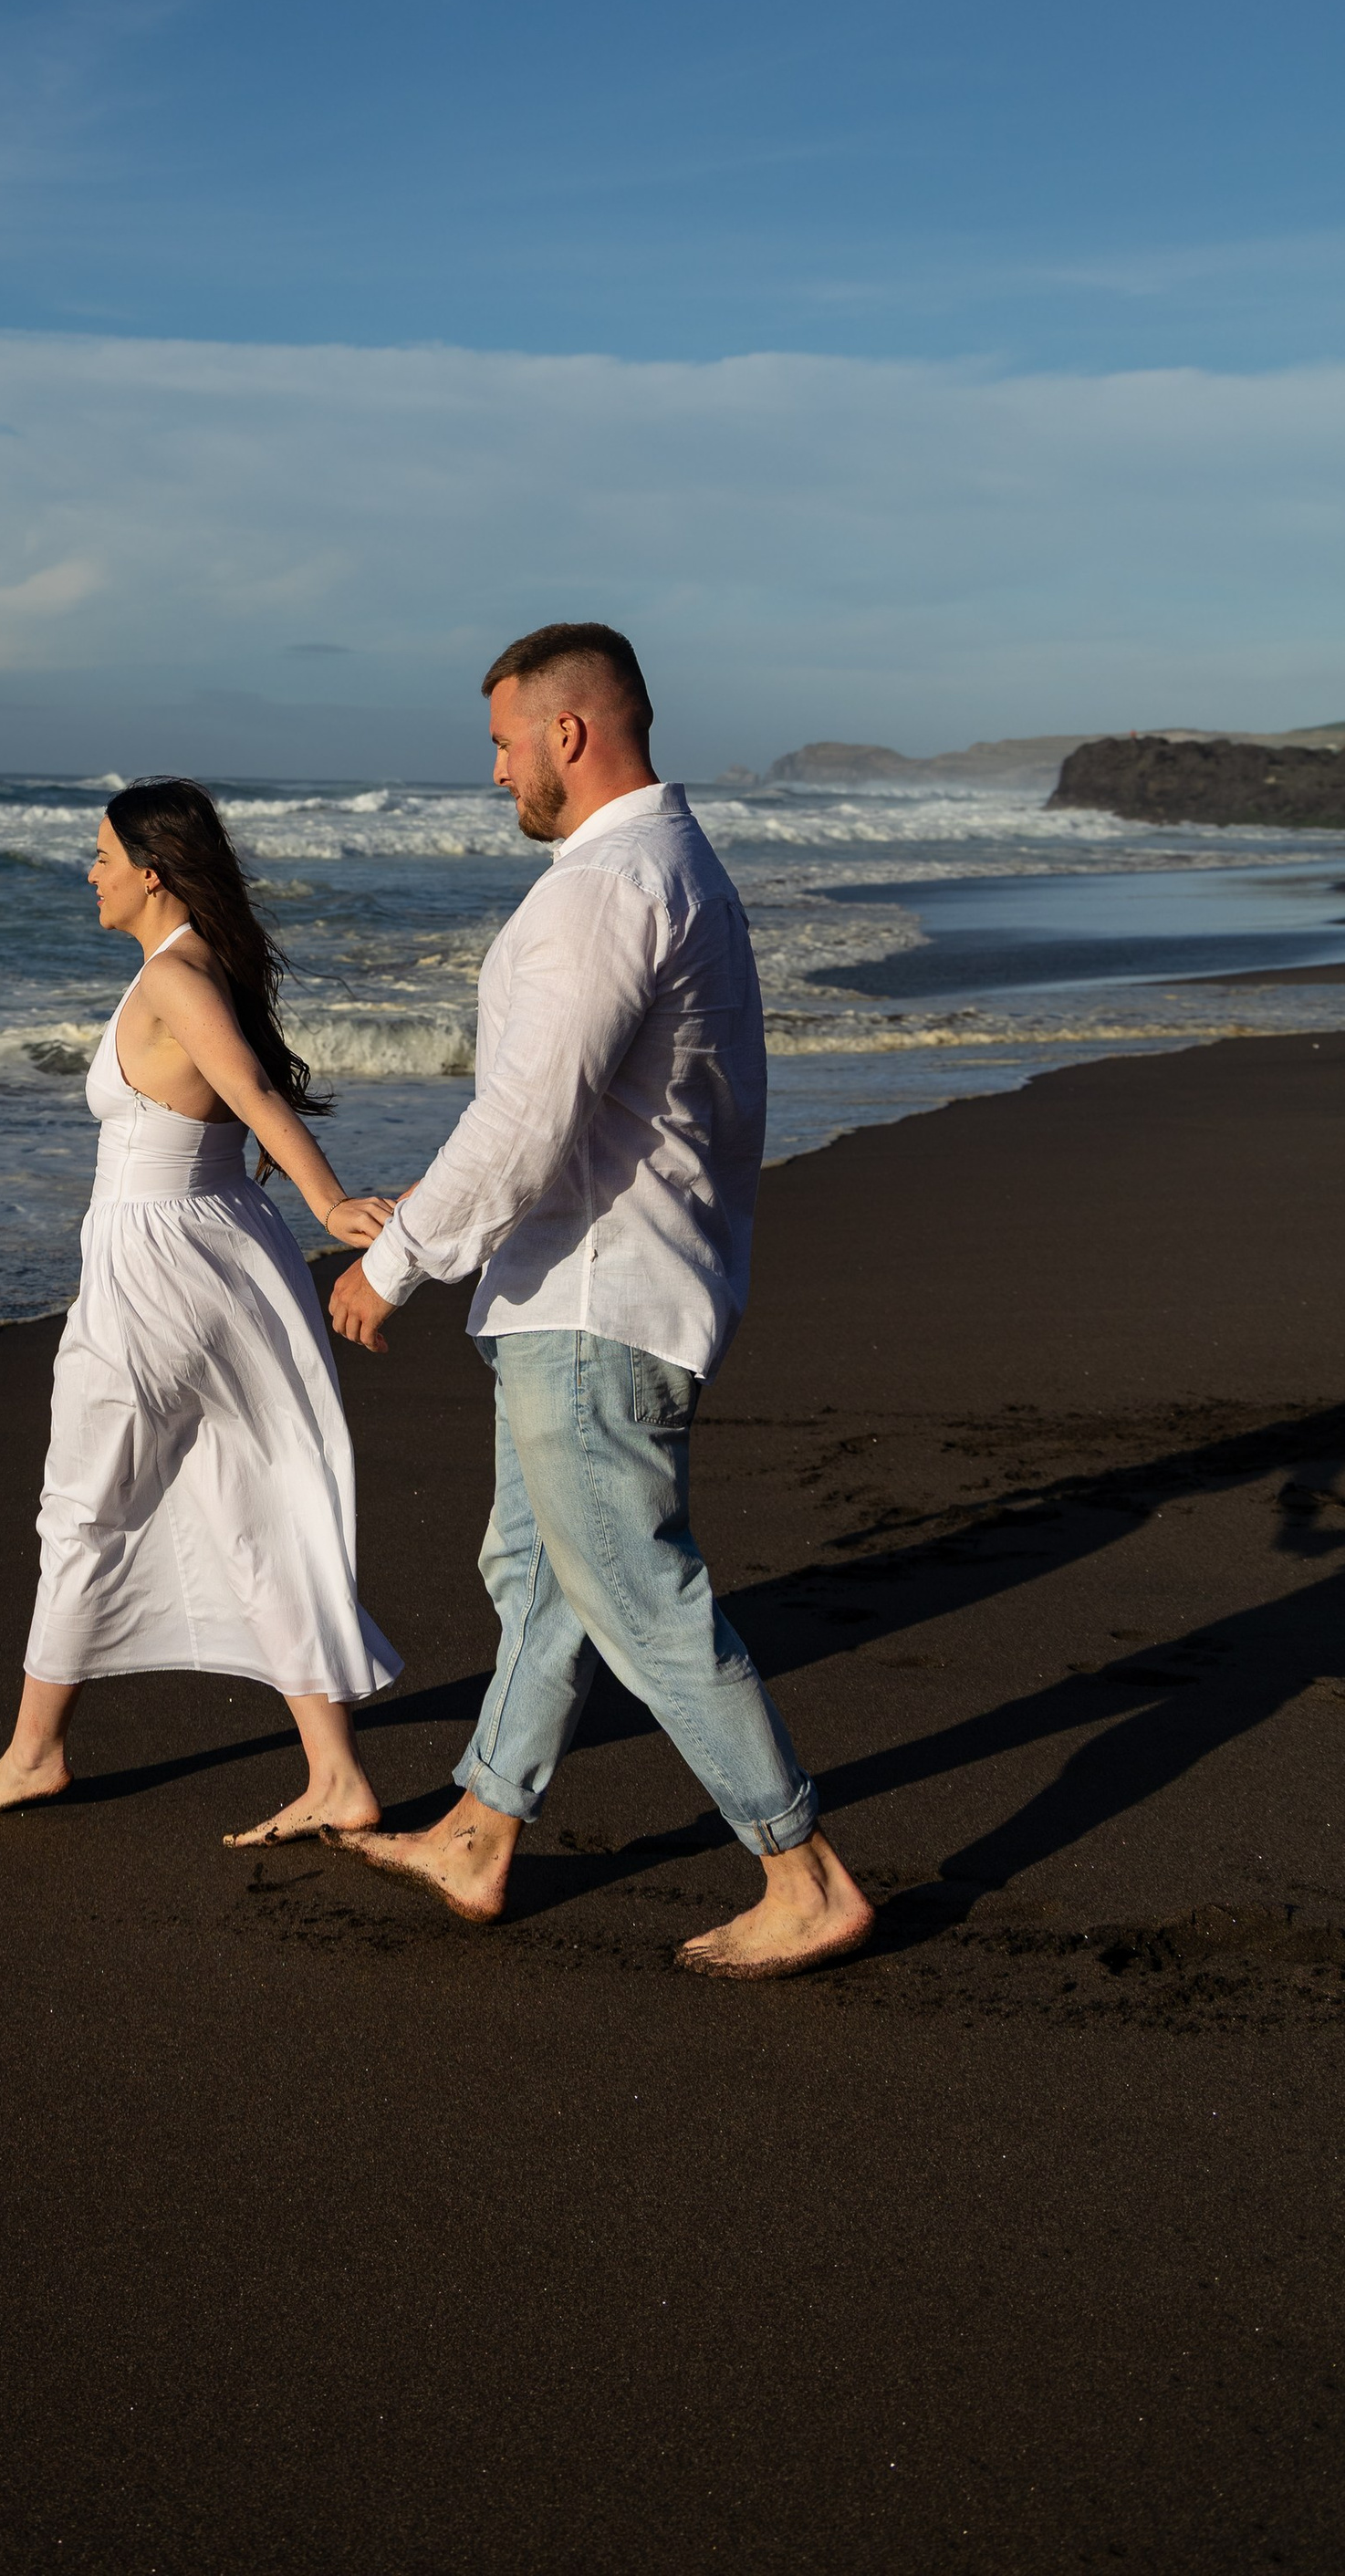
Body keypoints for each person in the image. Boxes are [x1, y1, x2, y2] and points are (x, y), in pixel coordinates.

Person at [327, 623, 874, 1981]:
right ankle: (479, 1828)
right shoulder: (673, 867)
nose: (499, 769)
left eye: (507, 741)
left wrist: (394, 1262)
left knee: (632, 1589)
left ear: (570, 733)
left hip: (594, 1298)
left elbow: (526, 1115)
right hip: (594, 1286)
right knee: (540, 1576)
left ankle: (800, 1871)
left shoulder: (606, 885)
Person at [0, 778, 402, 1843]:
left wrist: (329, 1199)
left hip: (159, 1263)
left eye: (101, 854)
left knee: (82, 1504)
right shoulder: (187, 966)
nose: (90, 871)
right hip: (206, 1250)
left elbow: (252, 1093)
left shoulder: (176, 975)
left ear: (151, 870)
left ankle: (35, 1752)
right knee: (244, 1495)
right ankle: (335, 1774)